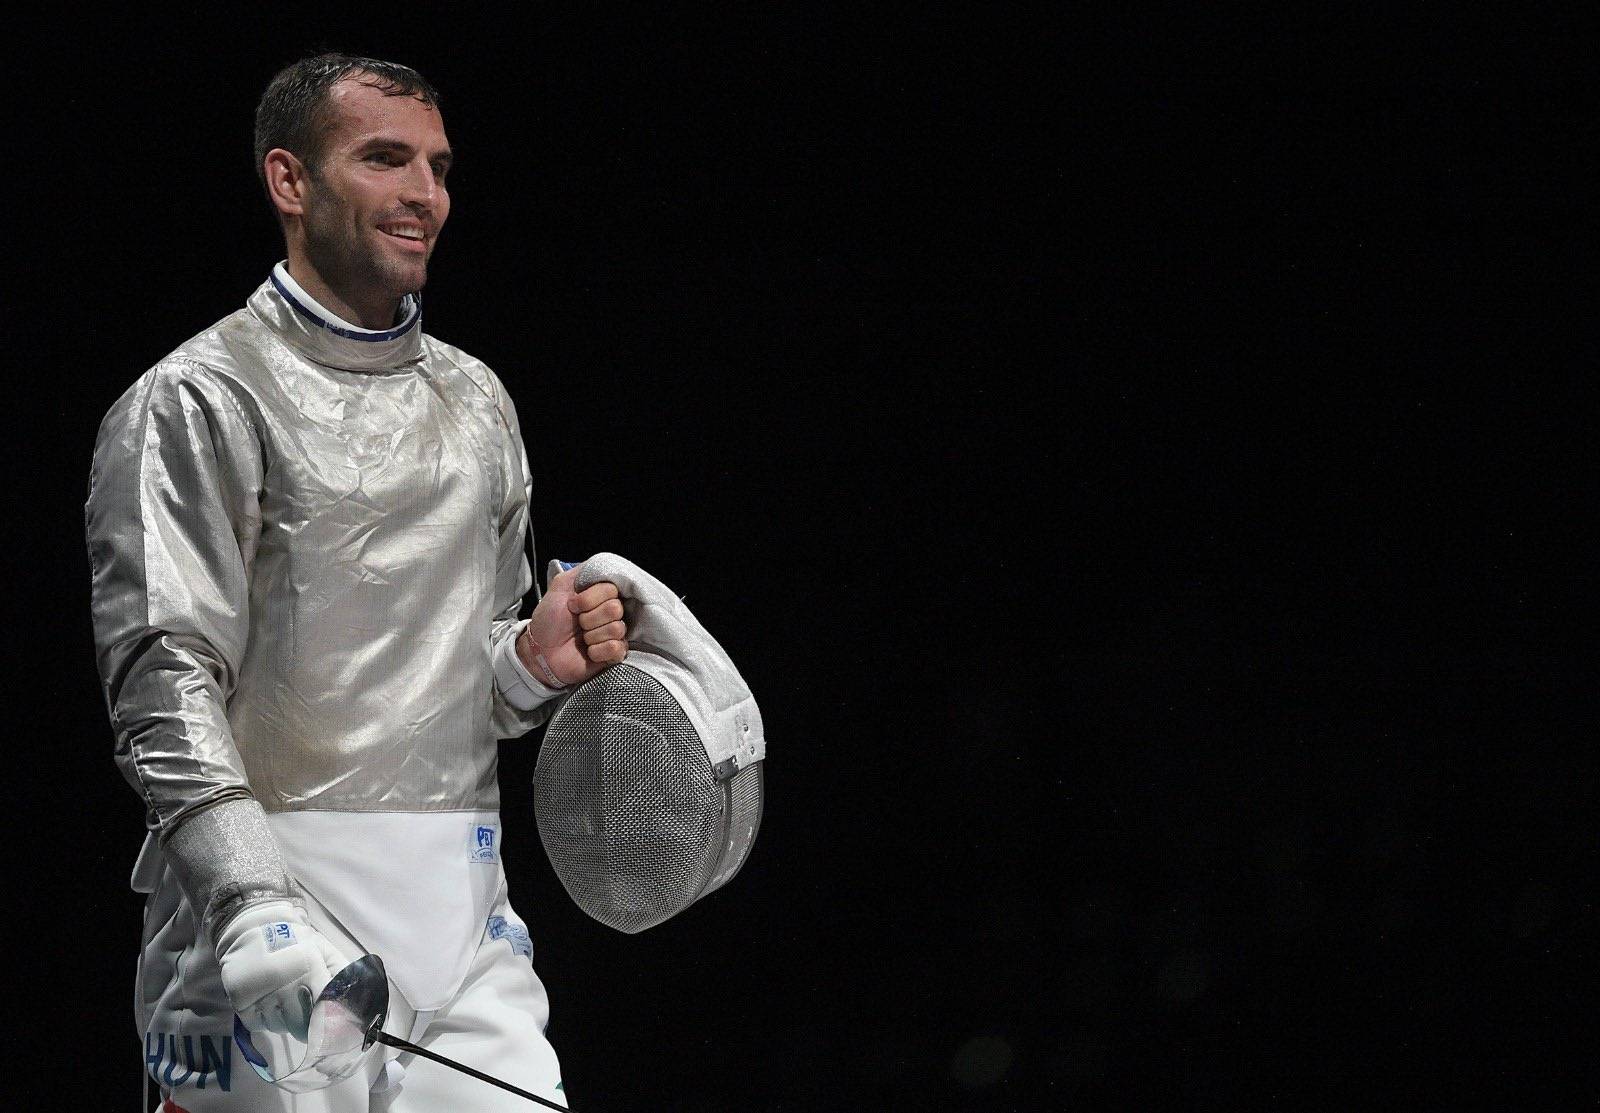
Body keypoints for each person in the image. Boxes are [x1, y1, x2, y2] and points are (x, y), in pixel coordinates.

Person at [86, 53, 624, 1112]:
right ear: (290, 181)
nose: (425, 193)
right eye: (384, 159)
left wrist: (529, 661)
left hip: (462, 912)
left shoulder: (477, 401)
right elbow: (163, 677)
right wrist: (246, 895)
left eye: (438, 167)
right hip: (273, 909)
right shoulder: (198, 397)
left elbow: (457, 683)